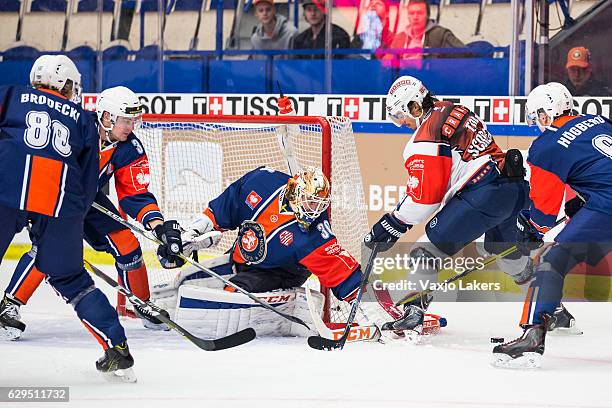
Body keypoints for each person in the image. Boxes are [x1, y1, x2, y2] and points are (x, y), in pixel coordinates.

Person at [0, 86, 185, 339]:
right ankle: (10, 305)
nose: (131, 127)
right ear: (107, 117)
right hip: (54, 193)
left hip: (88, 199)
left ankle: (142, 303)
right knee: (48, 249)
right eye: (125, 120)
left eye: (133, 120)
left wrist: (158, 226)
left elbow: (135, 194)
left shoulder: (129, 146)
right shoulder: (76, 126)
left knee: (127, 243)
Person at [364, 75, 534, 335]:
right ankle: (550, 305)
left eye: (403, 116)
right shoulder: (457, 109)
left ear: (415, 106)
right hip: (514, 190)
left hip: (482, 195)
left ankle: (413, 311)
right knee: (509, 256)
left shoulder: (426, 135)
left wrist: (394, 223)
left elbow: (426, 197)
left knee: (424, 252)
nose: (404, 125)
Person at [0, 55, 134, 380]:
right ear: (69, 84)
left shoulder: (10, 94)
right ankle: (116, 346)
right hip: (59, 201)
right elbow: (87, 183)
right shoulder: (83, 120)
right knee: (72, 279)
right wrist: (68, 226)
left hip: (5, 187)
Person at [152, 166, 364, 338]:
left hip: (279, 272)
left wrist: (362, 304)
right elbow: (220, 211)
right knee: (185, 281)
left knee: (232, 293)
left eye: (319, 205)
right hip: (239, 258)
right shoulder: (261, 182)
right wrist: (191, 234)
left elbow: (340, 270)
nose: (314, 211)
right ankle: (156, 313)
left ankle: (199, 323)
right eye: (310, 202)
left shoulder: (314, 234)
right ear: (296, 193)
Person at [492, 83, 612, 368]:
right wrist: (584, 200)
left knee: (549, 259)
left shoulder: (545, 146)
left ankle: (532, 335)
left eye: (536, 117)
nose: (536, 124)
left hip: (606, 205)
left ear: (545, 115)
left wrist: (528, 227)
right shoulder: (599, 120)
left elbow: (544, 215)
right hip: (601, 201)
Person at [385, 0, 465, 64]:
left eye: (420, 13)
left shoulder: (440, 35)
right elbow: (385, 63)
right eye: (412, 13)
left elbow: (466, 55)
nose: (415, 17)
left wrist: (427, 62)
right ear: (408, 15)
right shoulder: (400, 37)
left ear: (428, 15)